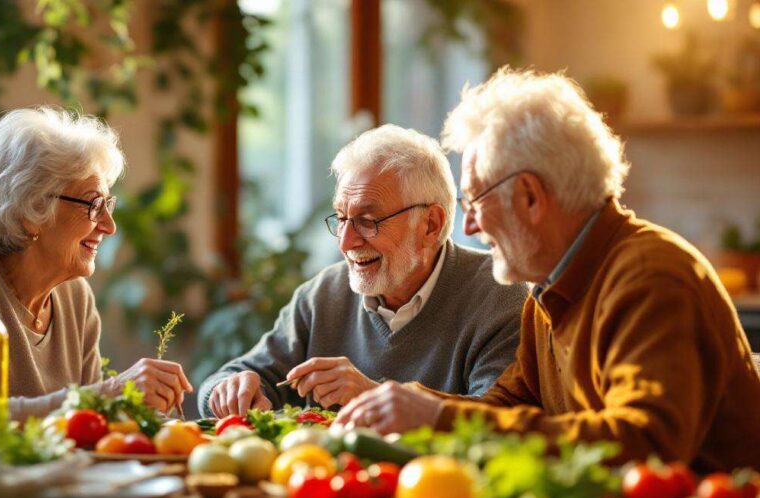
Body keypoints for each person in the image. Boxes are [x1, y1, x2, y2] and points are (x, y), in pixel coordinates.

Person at [335, 69, 760, 471]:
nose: (467, 227)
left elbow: (644, 444)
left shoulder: (650, 277)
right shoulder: (549, 290)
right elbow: (507, 410)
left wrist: (439, 418)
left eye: (475, 201)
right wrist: (415, 407)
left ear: (530, 197)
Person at [198, 125, 528, 418]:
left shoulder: (500, 294)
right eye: (341, 218)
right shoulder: (322, 297)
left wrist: (374, 396)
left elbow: (498, 423)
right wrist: (228, 389)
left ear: (431, 224)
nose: (345, 242)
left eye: (368, 221)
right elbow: (235, 376)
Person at [0, 107, 192, 421]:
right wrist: (111, 392)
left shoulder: (75, 297)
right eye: (93, 205)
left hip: (48, 470)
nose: (109, 225)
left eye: (107, 204)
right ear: (30, 210)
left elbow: (88, 424)